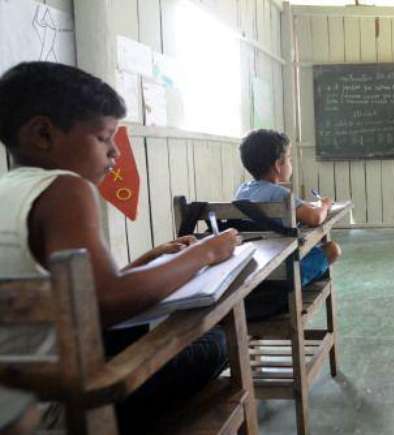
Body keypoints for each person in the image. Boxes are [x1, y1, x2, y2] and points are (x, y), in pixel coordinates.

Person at [0, 62, 240, 432]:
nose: (114, 153)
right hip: (61, 407)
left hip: (14, 393)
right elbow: (104, 302)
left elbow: (69, 295)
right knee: (217, 342)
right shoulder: (65, 188)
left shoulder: (10, 190)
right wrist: (204, 253)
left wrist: (143, 264)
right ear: (43, 134)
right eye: (103, 137)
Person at [235, 129, 341, 287]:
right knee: (332, 249)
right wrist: (324, 205)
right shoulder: (280, 194)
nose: (291, 163)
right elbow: (315, 218)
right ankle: (297, 285)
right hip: (284, 269)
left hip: (253, 266)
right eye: (289, 159)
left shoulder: (241, 191)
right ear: (278, 165)